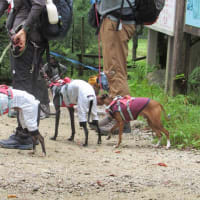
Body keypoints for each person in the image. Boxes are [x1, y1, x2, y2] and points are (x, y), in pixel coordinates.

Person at [0, 0, 48, 149]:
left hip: (28, 40)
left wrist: (25, 29)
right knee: (21, 85)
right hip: (20, 38)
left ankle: (26, 135)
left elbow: (39, 4)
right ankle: (26, 133)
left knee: (24, 87)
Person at [96, 0, 136, 134]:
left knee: (115, 71)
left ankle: (122, 119)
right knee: (112, 71)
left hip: (117, 21)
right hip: (113, 18)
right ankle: (114, 114)